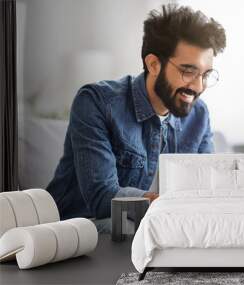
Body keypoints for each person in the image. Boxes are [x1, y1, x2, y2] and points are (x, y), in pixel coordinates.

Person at [46, 4, 226, 232]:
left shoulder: (199, 115)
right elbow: (102, 198)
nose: (199, 86)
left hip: (157, 226)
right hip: (81, 226)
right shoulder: (96, 102)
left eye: (206, 74)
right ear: (153, 64)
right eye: (188, 71)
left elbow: (205, 190)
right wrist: (173, 207)